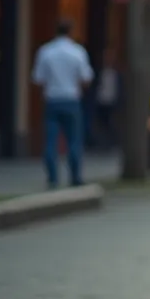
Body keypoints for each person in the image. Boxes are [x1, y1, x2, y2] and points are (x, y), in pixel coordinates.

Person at [33, 19, 93, 188]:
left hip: (52, 99)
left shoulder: (45, 51)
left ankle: (52, 178)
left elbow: (38, 79)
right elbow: (86, 78)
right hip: (71, 99)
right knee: (74, 140)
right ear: (71, 31)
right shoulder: (77, 52)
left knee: (50, 140)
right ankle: (75, 176)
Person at [94, 52, 121, 151]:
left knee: (111, 123)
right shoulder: (100, 72)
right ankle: (102, 144)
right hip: (101, 101)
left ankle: (111, 144)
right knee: (101, 123)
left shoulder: (116, 74)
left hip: (112, 101)